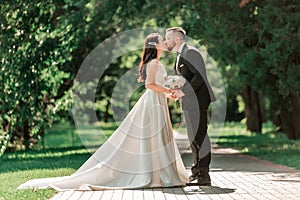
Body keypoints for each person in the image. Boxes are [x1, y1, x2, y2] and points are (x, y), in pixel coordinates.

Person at [18, 33, 188, 191]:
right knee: (153, 135)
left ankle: (162, 172)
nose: (165, 42)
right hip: (152, 103)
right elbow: (149, 85)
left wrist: (169, 91)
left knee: (159, 135)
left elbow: (156, 84)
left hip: (157, 101)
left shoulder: (157, 63)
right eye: (162, 40)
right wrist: (166, 91)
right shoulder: (153, 63)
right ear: (155, 45)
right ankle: (157, 174)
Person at [165, 27, 216, 186]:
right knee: (193, 137)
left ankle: (204, 176)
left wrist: (183, 91)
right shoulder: (181, 55)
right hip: (189, 101)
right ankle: (196, 171)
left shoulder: (190, 52)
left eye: (168, 38)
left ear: (177, 39)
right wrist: (176, 90)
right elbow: (185, 77)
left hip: (198, 100)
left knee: (199, 135)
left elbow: (199, 76)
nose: (166, 42)